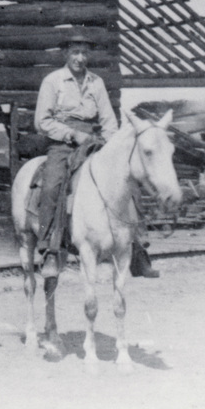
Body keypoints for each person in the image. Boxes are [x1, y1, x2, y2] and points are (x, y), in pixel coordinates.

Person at [34, 33, 160, 278]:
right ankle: (50, 249)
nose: (80, 58)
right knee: (52, 185)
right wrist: (72, 134)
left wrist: (108, 145)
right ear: (65, 54)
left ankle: (137, 248)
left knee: (128, 181)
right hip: (63, 144)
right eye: (74, 52)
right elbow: (42, 121)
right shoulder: (53, 81)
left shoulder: (96, 83)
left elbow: (109, 121)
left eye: (84, 53)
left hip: (95, 142)